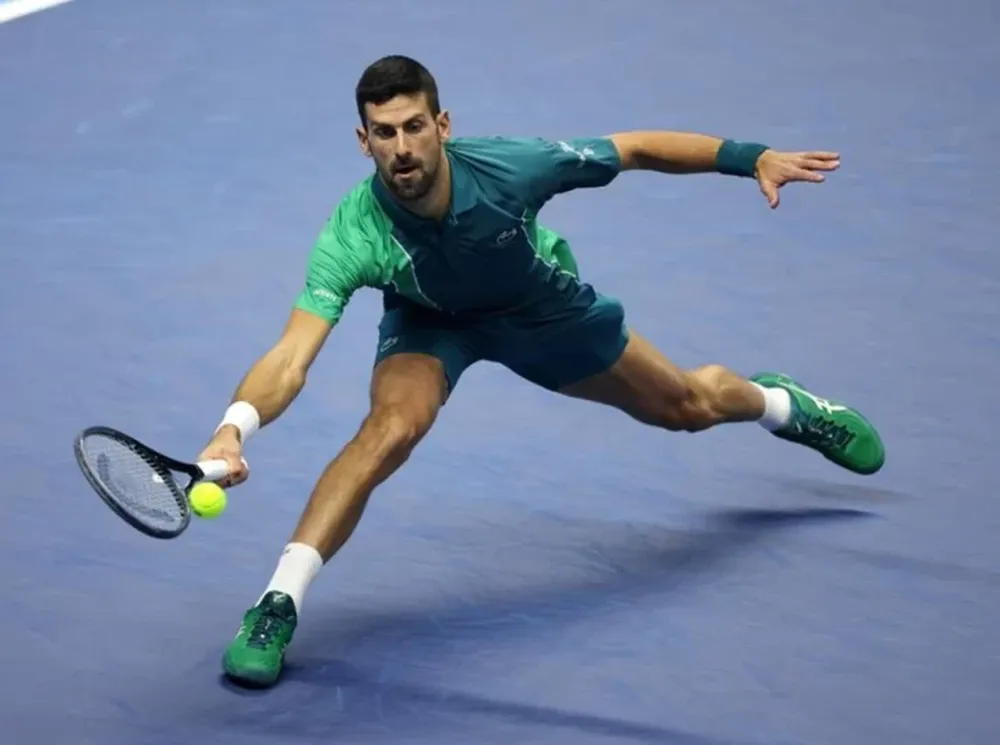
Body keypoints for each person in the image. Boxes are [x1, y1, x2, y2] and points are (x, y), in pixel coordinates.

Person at [199, 54, 885, 688]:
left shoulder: (509, 169)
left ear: (442, 125)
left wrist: (750, 157)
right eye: (384, 133)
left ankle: (782, 404)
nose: (402, 148)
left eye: (414, 126)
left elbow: (635, 148)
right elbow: (292, 354)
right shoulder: (354, 231)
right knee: (388, 429)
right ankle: (276, 602)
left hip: (538, 309)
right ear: (363, 141)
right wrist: (235, 428)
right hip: (432, 323)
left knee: (687, 406)